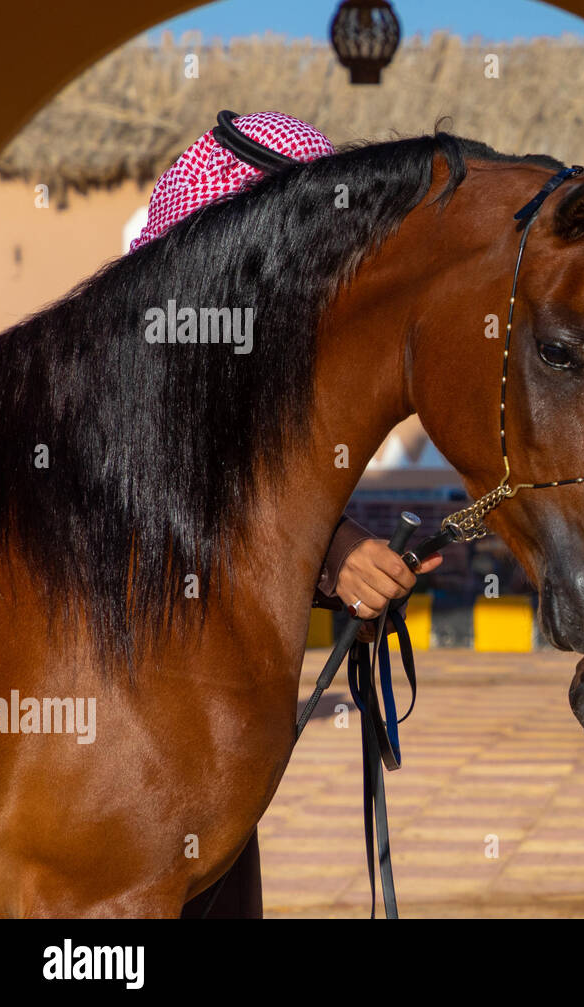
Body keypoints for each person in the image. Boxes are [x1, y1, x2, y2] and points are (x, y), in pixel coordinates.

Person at [129, 111, 443, 915]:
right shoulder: (135, 366)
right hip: (120, 767)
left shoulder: (258, 373)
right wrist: (331, 554)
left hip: (208, 763)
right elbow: (168, 488)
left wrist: (339, 569)